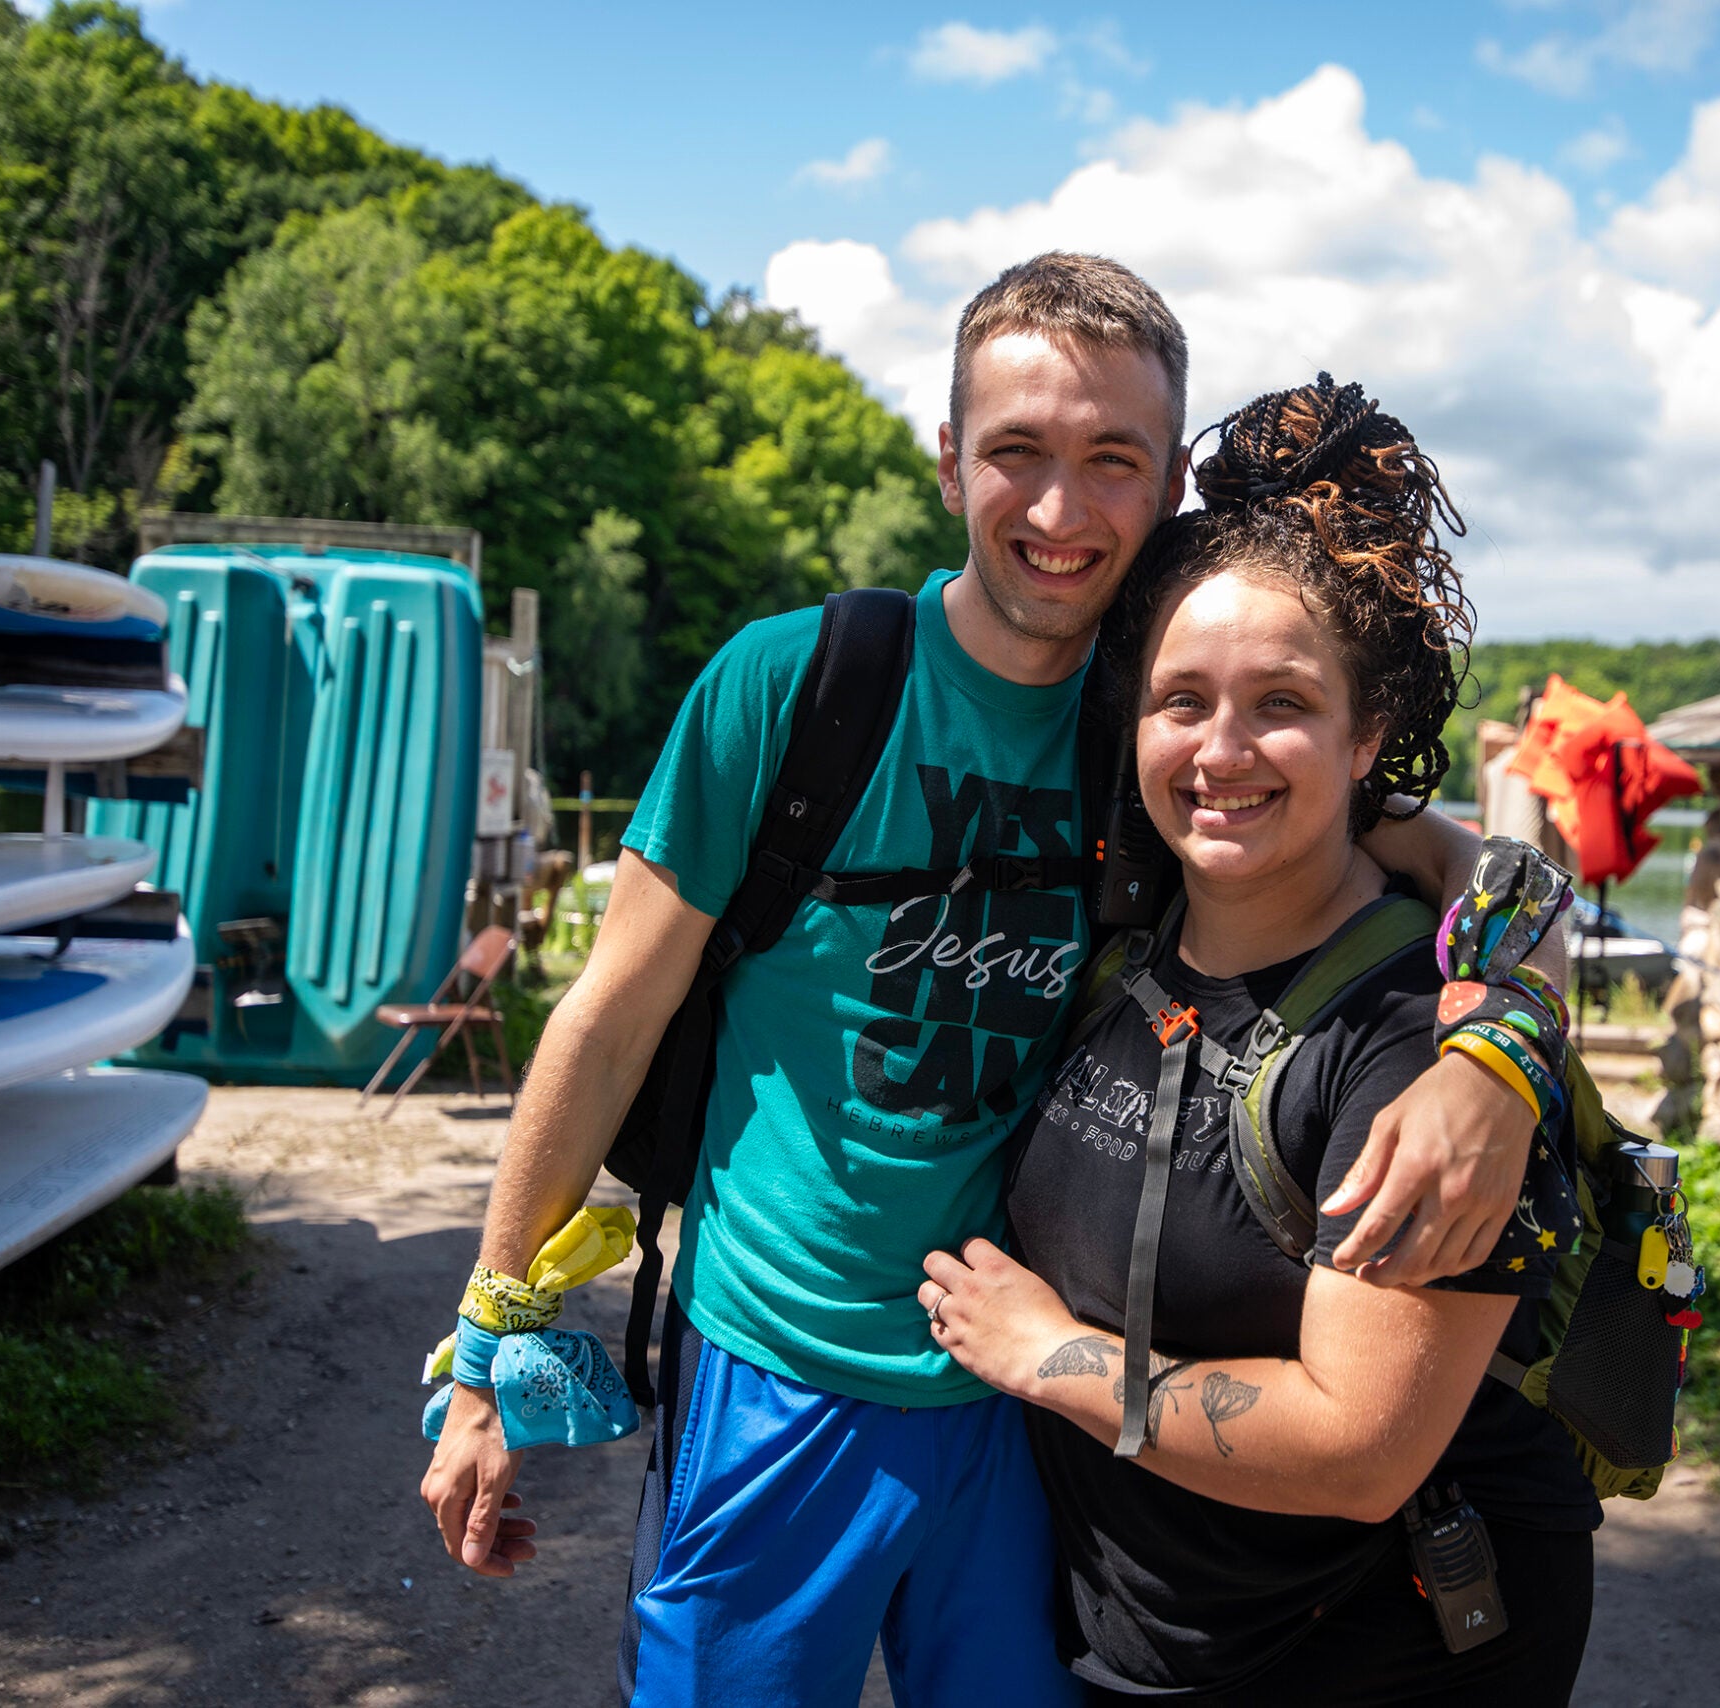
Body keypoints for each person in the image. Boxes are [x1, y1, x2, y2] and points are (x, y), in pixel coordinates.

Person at [417, 255, 1550, 1708]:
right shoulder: (795, 688)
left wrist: (1501, 1055)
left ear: (1164, 487)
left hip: (1028, 1423)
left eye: (1113, 462)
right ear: (952, 461)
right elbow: (609, 1016)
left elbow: (1485, 871)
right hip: (774, 1388)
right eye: (1018, 453)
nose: (1063, 512)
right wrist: (485, 1347)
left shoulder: (1163, 730)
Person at [919, 376, 1599, 1707]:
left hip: (1371, 1661)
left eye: (1281, 703)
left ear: (1371, 736)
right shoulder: (1129, 934)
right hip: (1139, 1649)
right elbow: (1489, 865)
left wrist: (1044, 1357)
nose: (1221, 751)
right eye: (1183, 700)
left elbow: (1360, 1451)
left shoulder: (1417, 1043)